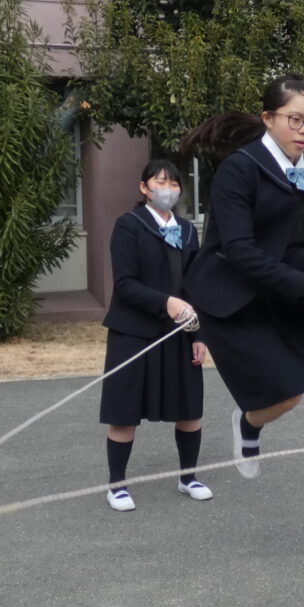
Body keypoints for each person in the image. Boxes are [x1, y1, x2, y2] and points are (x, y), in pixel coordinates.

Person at [179, 77, 304, 477]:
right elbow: (239, 250)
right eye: (295, 119)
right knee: (288, 395)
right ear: (268, 118)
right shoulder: (239, 169)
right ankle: (248, 424)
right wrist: (300, 283)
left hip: (278, 276)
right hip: (232, 291)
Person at [98, 159, 213, 511]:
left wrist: (199, 335)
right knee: (124, 413)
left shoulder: (187, 230)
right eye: (160, 182)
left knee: (190, 411)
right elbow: (125, 284)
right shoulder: (129, 225)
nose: (168, 189)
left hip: (179, 333)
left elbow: (195, 285)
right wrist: (167, 302)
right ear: (144, 188)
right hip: (133, 333)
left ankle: (188, 478)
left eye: (174, 183)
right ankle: (117, 486)